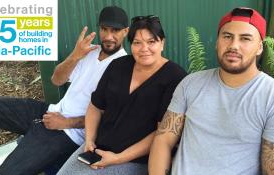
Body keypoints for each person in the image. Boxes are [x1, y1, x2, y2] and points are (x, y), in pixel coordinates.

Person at [0, 6, 129, 175]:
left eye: (115, 30)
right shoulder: (89, 51)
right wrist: (75, 55)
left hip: (69, 133)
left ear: (125, 32)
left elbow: (107, 116)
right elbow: (56, 80)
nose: (109, 36)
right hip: (50, 112)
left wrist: (66, 123)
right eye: (104, 29)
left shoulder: (123, 68)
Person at [149, 7, 274, 175]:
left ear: (259, 47)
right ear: (217, 42)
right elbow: (163, 140)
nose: (234, 45)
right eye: (227, 36)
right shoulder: (191, 83)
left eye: (245, 39)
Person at [56, 15, 187, 175]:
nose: (144, 48)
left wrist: (118, 158)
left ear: (162, 43)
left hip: (138, 159)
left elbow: (162, 134)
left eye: (151, 42)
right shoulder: (118, 65)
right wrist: (89, 140)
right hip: (97, 149)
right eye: (137, 42)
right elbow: (95, 106)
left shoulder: (175, 77)